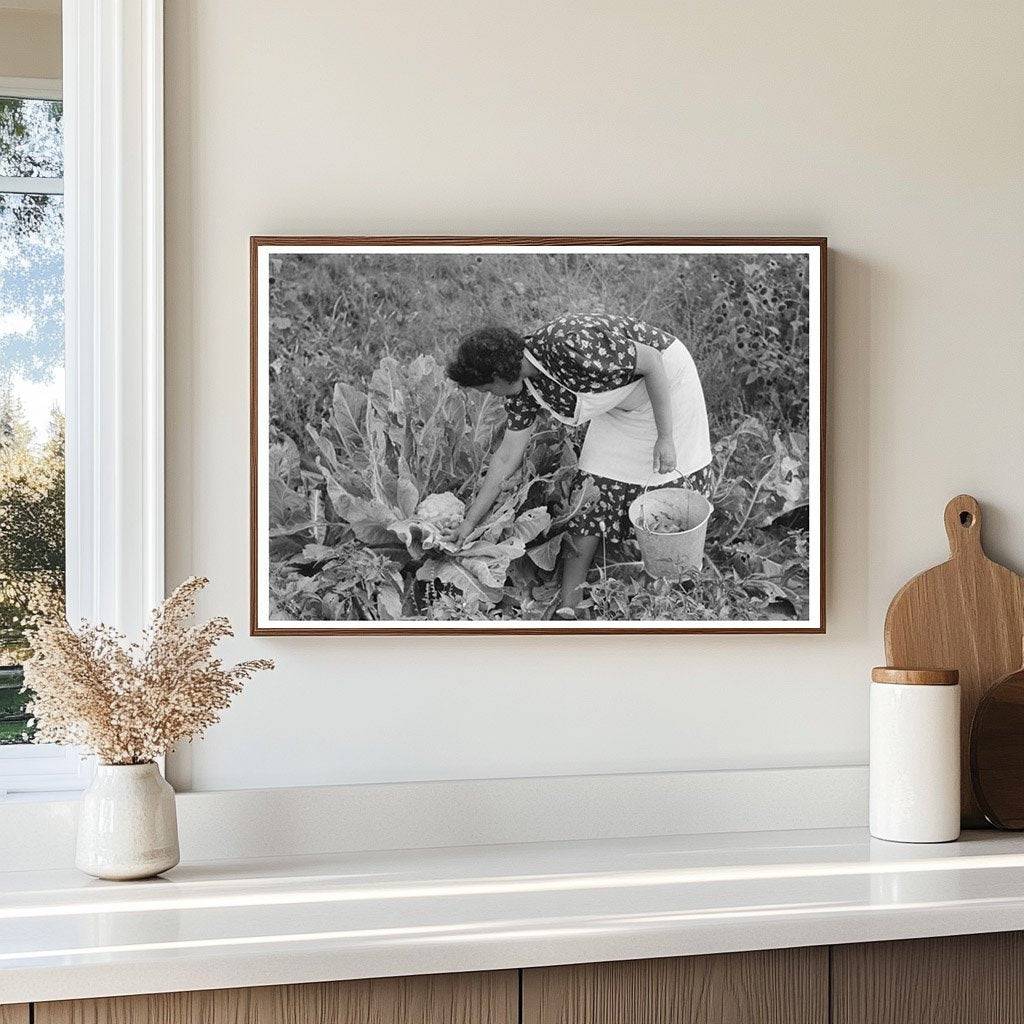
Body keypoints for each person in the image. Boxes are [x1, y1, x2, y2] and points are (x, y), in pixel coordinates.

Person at [446, 314, 712, 617]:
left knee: (668, 500)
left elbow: (651, 361)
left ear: (498, 374)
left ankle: (683, 603)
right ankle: (568, 610)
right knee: (589, 497)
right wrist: (470, 523)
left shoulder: (568, 343)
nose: (489, 396)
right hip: (620, 405)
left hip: (666, 385)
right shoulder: (523, 390)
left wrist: (666, 437)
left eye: (485, 389)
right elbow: (508, 455)